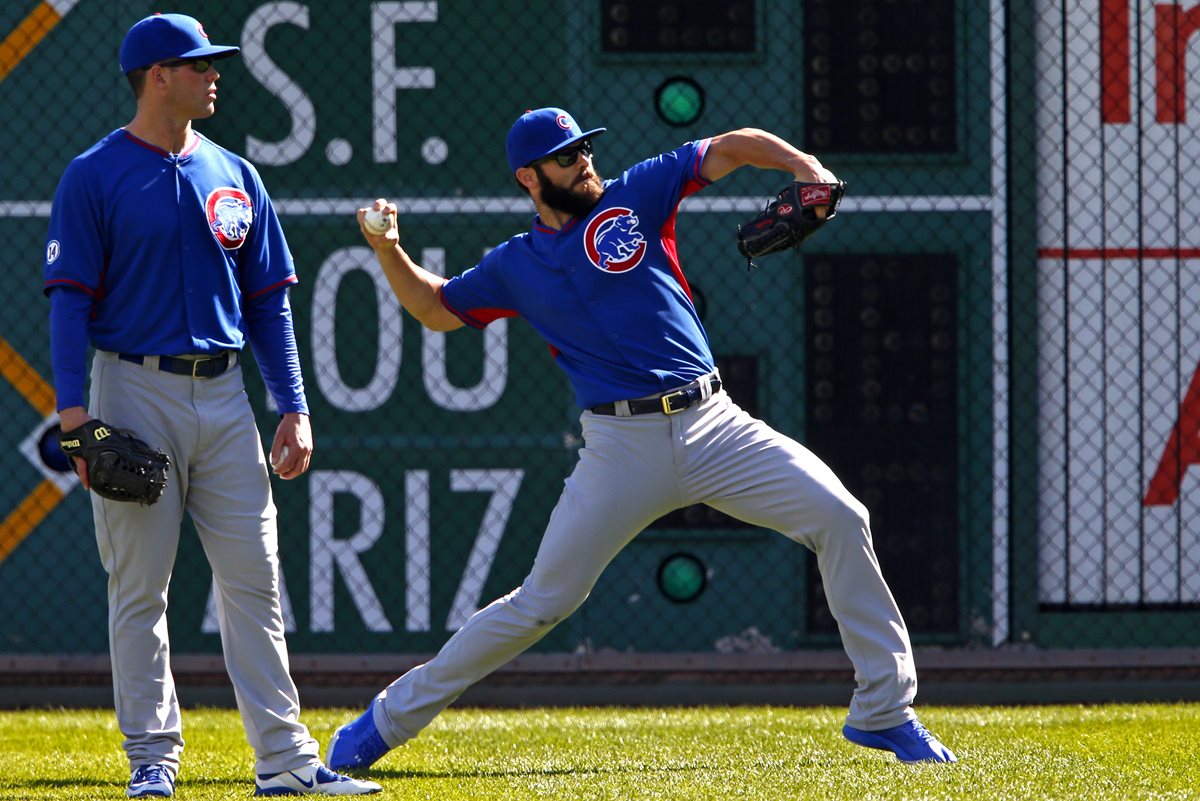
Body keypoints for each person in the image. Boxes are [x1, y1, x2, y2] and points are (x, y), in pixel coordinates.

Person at [326, 107, 956, 770]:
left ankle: (885, 710)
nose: (585, 162)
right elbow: (434, 307)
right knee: (543, 601)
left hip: (715, 424)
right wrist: (387, 249)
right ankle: (383, 721)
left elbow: (733, 146)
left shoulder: (636, 193)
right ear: (529, 178)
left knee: (840, 515)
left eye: (585, 150)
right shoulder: (515, 264)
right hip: (619, 448)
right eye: (567, 157)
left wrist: (807, 169)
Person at [42, 13, 382, 798]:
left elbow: (269, 302)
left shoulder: (236, 173)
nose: (215, 74)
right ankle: (153, 762)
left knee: (255, 580)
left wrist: (293, 406)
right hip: (131, 387)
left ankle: (287, 763)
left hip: (226, 395)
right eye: (199, 65)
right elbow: (68, 303)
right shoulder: (93, 174)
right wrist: (71, 418)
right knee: (140, 589)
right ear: (158, 75)